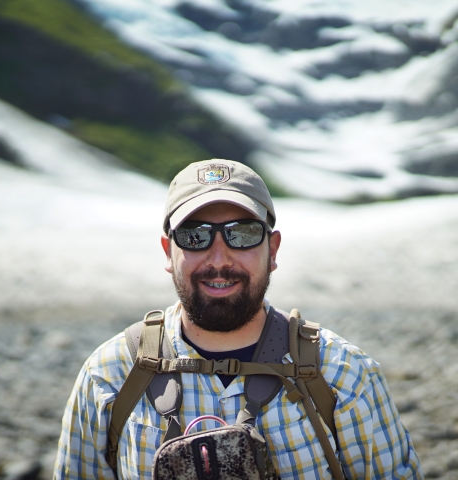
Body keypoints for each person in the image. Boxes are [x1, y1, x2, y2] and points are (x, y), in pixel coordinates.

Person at [54, 159, 423, 479]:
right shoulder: (110, 375)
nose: (219, 259)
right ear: (169, 252)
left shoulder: (343, 374)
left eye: (242, 235)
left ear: (272, 249)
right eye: (194, 236)